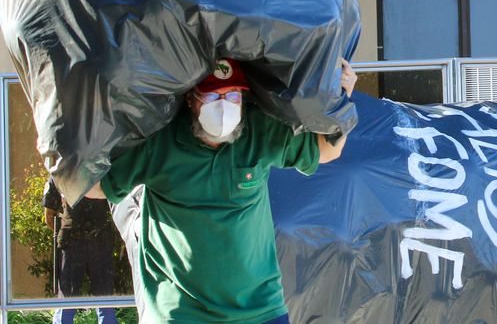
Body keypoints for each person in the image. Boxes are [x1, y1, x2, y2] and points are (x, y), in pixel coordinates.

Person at [86, 57, 358, 324]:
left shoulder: (259, 131)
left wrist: (342, 97)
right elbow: (95, 186)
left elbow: (326, 149)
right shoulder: (160, 141)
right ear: (191, 100)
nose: (224, 107)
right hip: (180, 313)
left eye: (232, 97)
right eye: (213, 97)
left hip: (259, 309)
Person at [43, 177, 119, 324]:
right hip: (81, 243)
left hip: (90, 242)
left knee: (102, 301)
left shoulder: (62, 171)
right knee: (72, 300)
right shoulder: (101, 168)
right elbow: (49, 215)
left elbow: (49, 215)